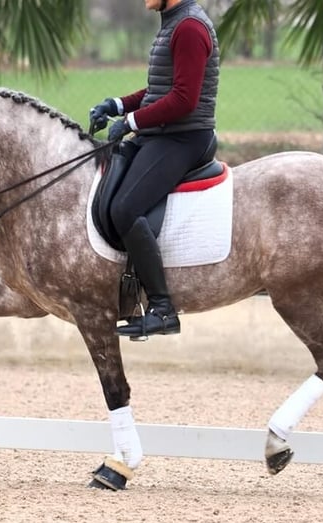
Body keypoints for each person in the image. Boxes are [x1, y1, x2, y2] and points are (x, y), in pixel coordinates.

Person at [89, 0, 220, 339]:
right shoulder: (174, 21)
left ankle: (162, 309)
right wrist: (117, 105)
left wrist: (130, 122)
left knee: (125, 207)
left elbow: (183, 99)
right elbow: (162, 89)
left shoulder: (190, 28)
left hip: (184, 139)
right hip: (163, 134)